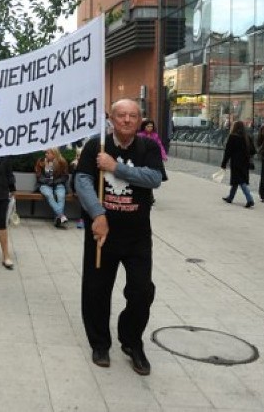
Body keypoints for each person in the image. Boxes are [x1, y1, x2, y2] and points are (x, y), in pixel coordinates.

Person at [74, 98, 163, 376]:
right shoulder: (95, 145)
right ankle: (100, 343)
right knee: (96, 290)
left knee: (141, 291)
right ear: (111, 118)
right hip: (102, 234)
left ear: (140, 121)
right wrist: (98, 214)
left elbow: (153, 178)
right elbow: (83, 180)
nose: (127, 120)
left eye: (133, 116)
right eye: (121, 115)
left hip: (137, 236)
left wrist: (115, 168)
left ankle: (132, 341)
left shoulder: (147, 146)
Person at [220, 121, 255, 208]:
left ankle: (250, 199)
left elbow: (228, 152)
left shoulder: (232, 137)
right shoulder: (247, 137)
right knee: (237, 180)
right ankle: (230, 197)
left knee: (241, 181)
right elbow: (253, 151)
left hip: (236, 162)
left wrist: (224, 163)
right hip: (245, 162)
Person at [34, 147, 70, 228]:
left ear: (54, 154)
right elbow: (39, 176)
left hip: (58, 184)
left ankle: (58, 218)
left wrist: (55, 182)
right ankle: (61, 216)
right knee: (49, 195)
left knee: (61, 196)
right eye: (45, 152)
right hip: (44, 184)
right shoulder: (41, 161)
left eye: (48, 153)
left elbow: (65, 176)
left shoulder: (62, 162)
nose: (45, 154)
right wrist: (47, 181)